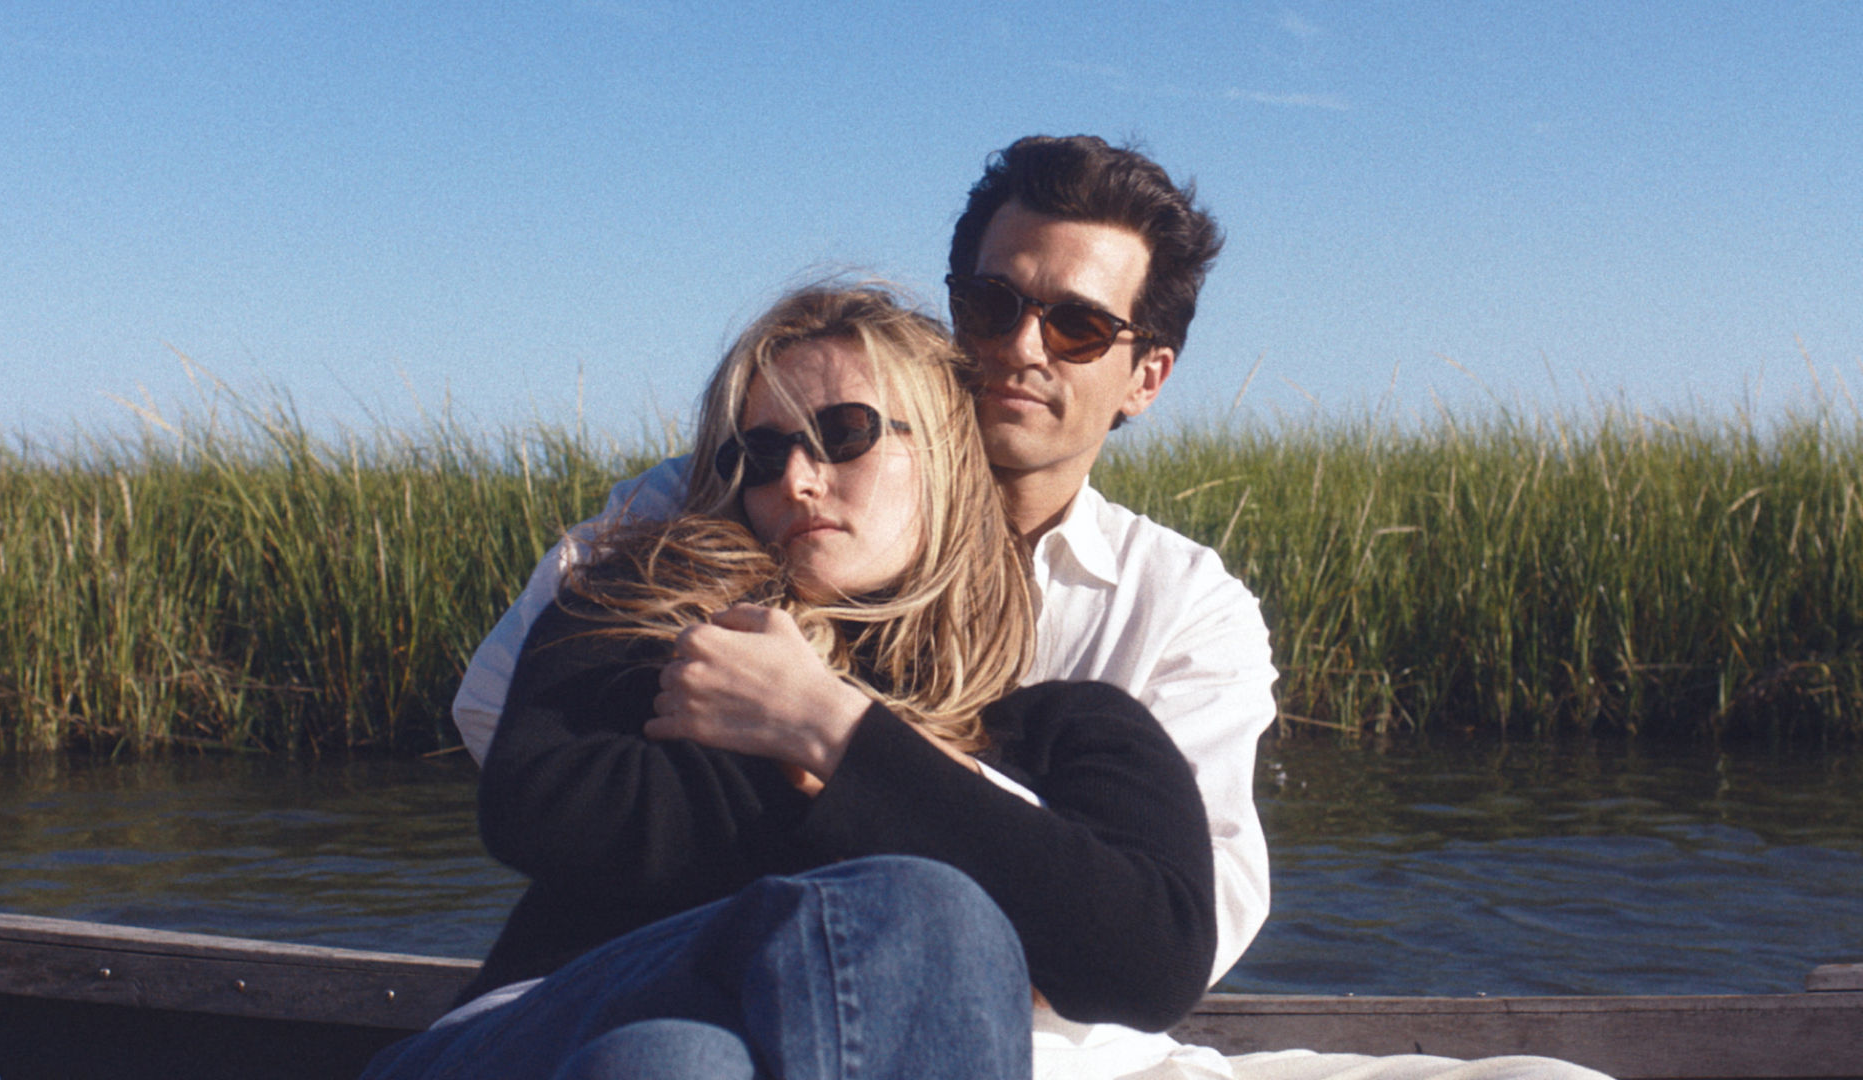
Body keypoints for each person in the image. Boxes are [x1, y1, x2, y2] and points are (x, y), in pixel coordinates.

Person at [452, 137, 1613, 1080]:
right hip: (639, 992)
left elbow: (1166, 941)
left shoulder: (1153, 634)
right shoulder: (697, 525)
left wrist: (831, 739)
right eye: (992, 303)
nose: (1018, 349)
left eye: (1076, 326)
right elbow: (520, 756)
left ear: (1143, 375)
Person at [365, 284, 1218, 1080]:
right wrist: (880, 795)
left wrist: (830, 729)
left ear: (948, 453)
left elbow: (1153, 960)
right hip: (531, 1023)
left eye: (846, 434)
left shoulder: (1070, 729)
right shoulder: (657, 609)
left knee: (679, 1061)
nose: (797, 479)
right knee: (921, 907)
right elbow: (542, 804)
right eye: (762, 451)